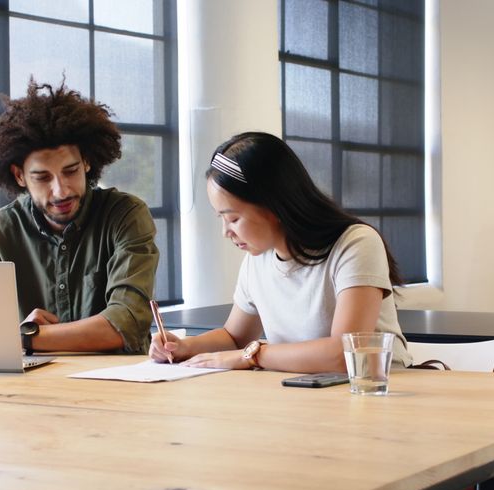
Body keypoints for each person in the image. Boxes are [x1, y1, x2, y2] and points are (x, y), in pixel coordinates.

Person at [149, 131, 413, 372]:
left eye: (233, 218)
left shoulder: (356, 244)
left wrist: (252, 355)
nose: (225, 232)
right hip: (302, 393)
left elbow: (344, 354)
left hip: (376, 392)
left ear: (273, 206)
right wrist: (184, 347)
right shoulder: (258, 259)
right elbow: (235, 337)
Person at [0, 79, 158, 354]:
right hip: (27, 388)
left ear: (87, 162)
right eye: (42, 177)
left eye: (71, 171)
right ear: (19, 176)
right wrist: (17, 335)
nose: (61, 190)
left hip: (119, 385)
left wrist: (25, 338)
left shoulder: (125, 216)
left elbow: (125, 322)